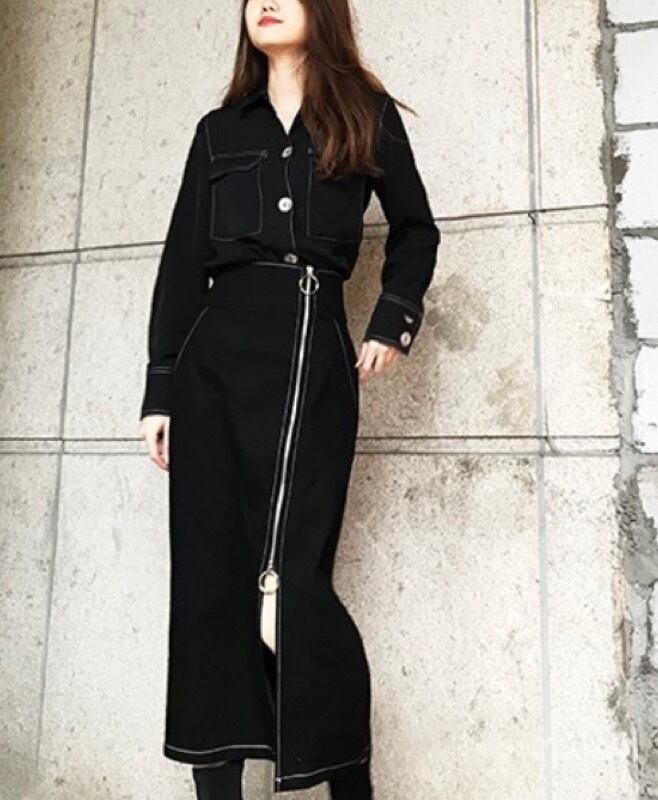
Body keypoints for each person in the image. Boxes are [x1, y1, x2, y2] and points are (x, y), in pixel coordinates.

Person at [137, 0, 440, 798]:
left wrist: (393, 319)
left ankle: (348, 785)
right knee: (210, 587)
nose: (265, 2)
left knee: (290, 591)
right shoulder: (218, 131)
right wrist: (161, 389)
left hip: (312, 357)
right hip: (212, 367)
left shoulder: (365, 114)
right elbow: (181, 262)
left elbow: (416, 229)